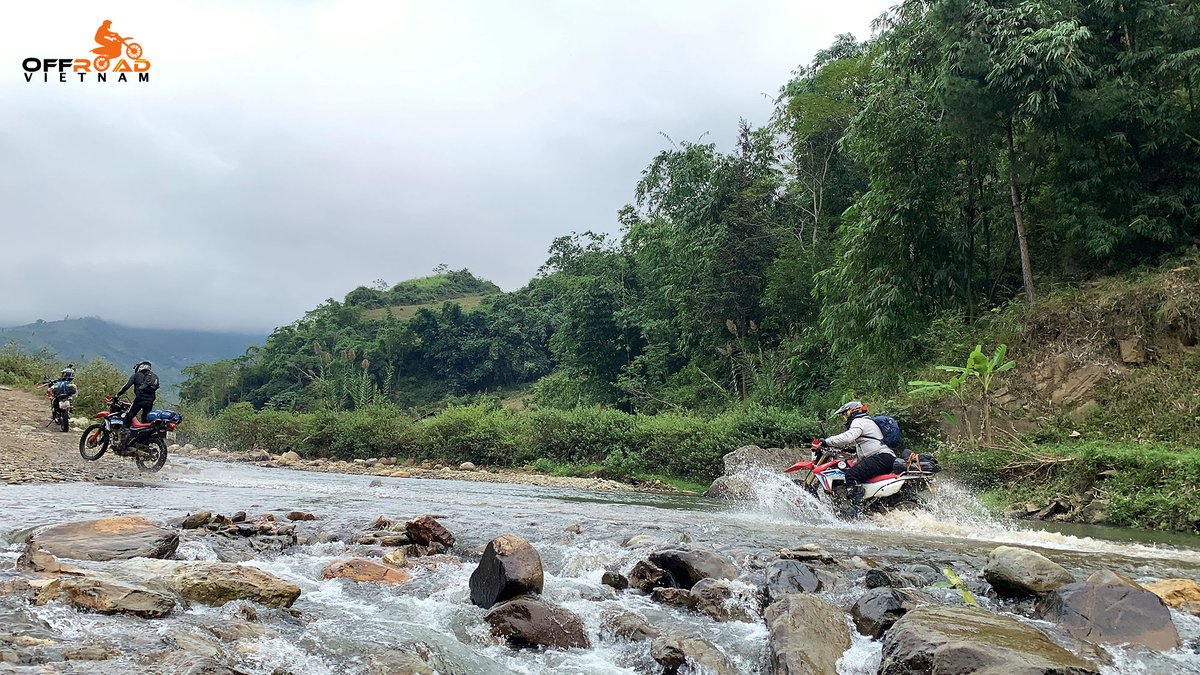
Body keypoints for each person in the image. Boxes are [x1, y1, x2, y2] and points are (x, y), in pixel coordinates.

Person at [821, 400, 895, 518]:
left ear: (852, 411)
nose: (845, 418)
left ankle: (856, 511)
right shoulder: (867, 421)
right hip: (885, 458)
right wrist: (851, 450)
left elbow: (848, 437)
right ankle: (868, 508)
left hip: (881, 457)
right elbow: (868, 443)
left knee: (851, 475)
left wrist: (827, 441)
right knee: (858, 474)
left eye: (845, 414)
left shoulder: (859, 421)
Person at [114, 361, 159, 446]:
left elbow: (126, 386)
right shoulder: (152, 377)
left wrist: (117, 395)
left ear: (139, 367)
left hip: (139, 400)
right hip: (150, 401)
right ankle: (142, 441)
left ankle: (123, 443)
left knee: (128, 417)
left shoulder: (136, 375)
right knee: (144, 420)